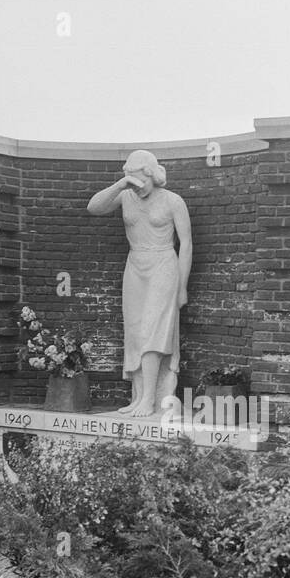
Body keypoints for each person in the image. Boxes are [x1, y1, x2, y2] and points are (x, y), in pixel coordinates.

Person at [86, 149, 192, 418]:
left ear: (151, 174)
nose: (137, 187)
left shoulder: (173, 201)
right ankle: (138, 396)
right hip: (135, 266)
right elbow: (93, 207)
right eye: (131, 180)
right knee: (134, 332)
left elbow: (187, 244)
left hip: (163, 265)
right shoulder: (125, 195)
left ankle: (150, 400)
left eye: (139, 180)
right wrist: (123, 183)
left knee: (152, 331)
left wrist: (182, 287)